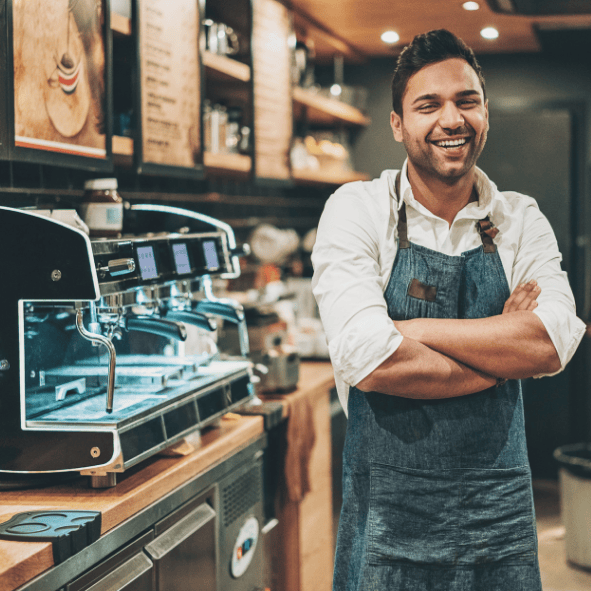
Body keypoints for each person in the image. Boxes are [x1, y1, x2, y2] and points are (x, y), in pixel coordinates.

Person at [311, 29, 586, 591]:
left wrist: (411, 329)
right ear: (397, 124)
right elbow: (372, 361)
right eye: (427, 104)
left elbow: (552, 341)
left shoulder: (519, 218)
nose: (451, 119)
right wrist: (502, 348)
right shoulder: (358, 209)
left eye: (466, 100)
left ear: (486, 113)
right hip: (389, 519)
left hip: (500, 515)